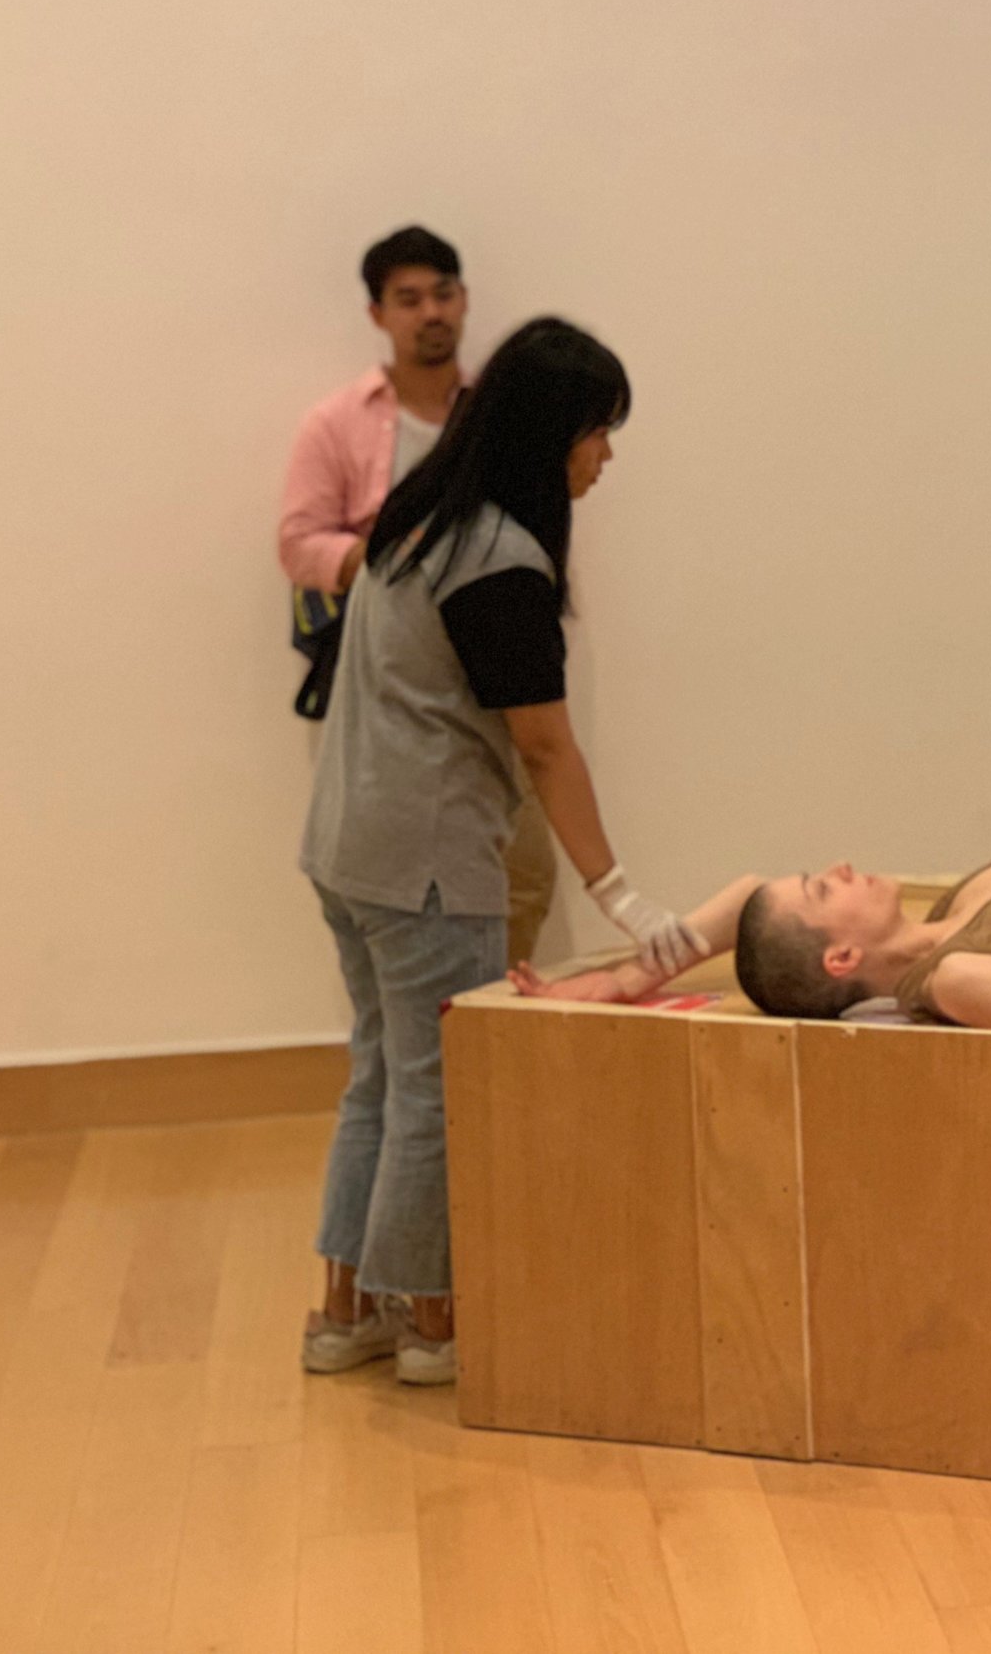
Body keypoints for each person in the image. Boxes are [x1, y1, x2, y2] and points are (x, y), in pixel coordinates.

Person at [298, 316, 719, 1385]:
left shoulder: (420, 515)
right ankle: (433, 1324)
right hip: (428, 861)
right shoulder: (498, 559)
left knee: (379, 1075)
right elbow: (542, 742)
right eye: (596, 432)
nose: (605, 456)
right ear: (548, 435)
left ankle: (347, 1311)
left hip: (346, 844)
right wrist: (620, 896)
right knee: (439, 1088)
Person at [277, 225, 558, 968]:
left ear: (463, 300)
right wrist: (393, 563)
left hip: (501, 682)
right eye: (409, 299)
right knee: (393, 892)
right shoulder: (337, 422)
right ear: (378, 314)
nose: (430, 312)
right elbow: (298, 542)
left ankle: (496, 1017)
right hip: (393, 691)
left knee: (526, 874)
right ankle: (439, 1023)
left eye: (443, 293)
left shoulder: (497, 418)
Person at [520, 845, 991, 1035]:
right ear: (842, 957)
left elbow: (751, 896)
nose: (841, 867)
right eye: (822, 889)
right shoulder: (958, 978)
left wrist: (630, 977)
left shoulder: (947, 909)